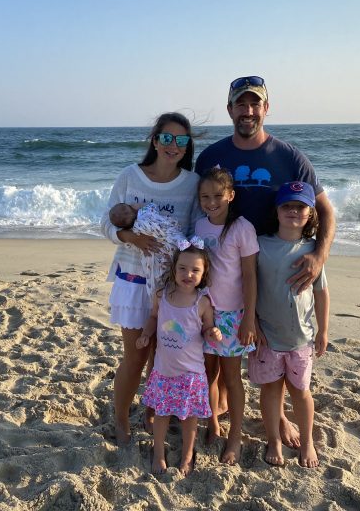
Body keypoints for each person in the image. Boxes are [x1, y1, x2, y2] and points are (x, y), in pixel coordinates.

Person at [195, 75, 336, 448]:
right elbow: (197, 206)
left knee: (275, 344)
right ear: (230, 110)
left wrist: (319, 256)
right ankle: (222, 402)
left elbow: (325, 210)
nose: (248, 110)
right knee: (225, 346)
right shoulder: (211, 157)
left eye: (255, 103)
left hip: (273, 265)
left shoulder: (289, 157)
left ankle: (280, 415)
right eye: (241, 104)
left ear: (266, 108)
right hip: (226, 268)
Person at [101, 112, 201, 445]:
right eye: (168, 138)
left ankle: (152, 408)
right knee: (137, 355)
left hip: (171, 286)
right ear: (155, 140)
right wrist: (131, 238)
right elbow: (105, 223)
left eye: (182, 140)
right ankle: (119, 418)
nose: (174, 146)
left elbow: (192, 233)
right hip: (132, 281)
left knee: (162, 353)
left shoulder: (191, 182)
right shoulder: (130, 177)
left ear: (187, 146)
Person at [249, 181, 329, 467]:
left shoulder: (312, 252)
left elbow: (321, 292)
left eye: (300, 207)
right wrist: (253, 323)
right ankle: (273, 440)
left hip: (301, 339)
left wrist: (324, 330)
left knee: (300, 391)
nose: (293, 211)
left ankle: (307, 441)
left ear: (310, 213)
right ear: (277, 210)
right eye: (287, 205)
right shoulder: (261, 244)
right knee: (270, 390)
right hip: (267, 336)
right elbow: (250, 286)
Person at [136, 245, 222, 475]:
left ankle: (187, 455)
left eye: (195, 270)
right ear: (173, 269)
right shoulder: (162, 295)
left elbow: (207, 330)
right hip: (164, 370)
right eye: (182, 268)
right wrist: (146, 334)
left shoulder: (202, 302)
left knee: (189, 418)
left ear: (204, 274)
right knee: (162, 414)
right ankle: (159, 453)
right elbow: (154, 317)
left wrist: (213, 333)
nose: (188, 274)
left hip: (191, 373)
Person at [194, 167, 259, 465]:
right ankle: (212, 423)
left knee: (232, 377)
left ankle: (234, 435)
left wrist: (249, 318)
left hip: (233, 315)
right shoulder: (198, 227)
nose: (211, 202)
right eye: (205, 197)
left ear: (231, 195)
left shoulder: (242, 228)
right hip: (205, 313)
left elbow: (249, 276)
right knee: (208, 373)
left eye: (217, 196)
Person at [108, 201, 188, 295]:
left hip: (158, 253)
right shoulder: (144, 213)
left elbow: (132, 246)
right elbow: (153, 206)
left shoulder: (133, 232)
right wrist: (140, 206)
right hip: (171, 238)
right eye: (128, 206)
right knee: (178, 244)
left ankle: (160, 290)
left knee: (157, 267)